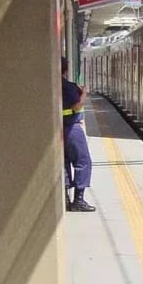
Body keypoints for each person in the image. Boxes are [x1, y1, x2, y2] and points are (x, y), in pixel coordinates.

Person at [62, 57, 95, 212]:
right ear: (65, 69)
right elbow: (76, 106)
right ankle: (78, 200)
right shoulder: (68, 87)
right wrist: (84, 94)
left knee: (65, 162)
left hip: (58, 128)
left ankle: (65, 198)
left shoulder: (50, 85)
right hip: (71, 128)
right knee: (83, 161)